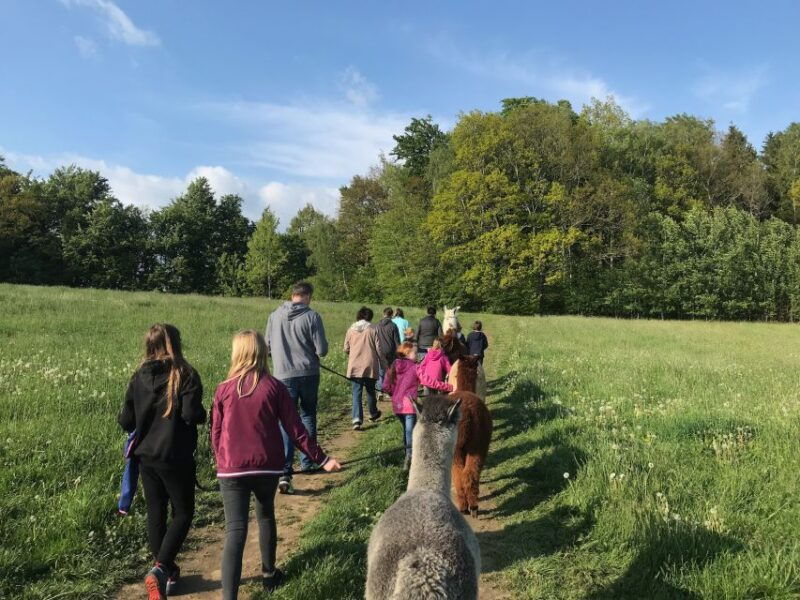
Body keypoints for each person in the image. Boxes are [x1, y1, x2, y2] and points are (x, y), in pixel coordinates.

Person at [211, 330, 341, 599]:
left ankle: (228, 597)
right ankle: (269, 574)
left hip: (231, 468)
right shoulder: (275, 387)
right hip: (267, 467)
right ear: (262, 352)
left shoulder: (223, 389)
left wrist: (221, 460)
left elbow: (216, 432)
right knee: (266, 515)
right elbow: (296, 429)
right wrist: (322, 459)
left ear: (237, 353)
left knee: (235, 531)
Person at [118, 324, 206, 600]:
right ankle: (160, 569)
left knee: (156, 513)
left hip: (146, 457)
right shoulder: (186, 374)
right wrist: (203, 414)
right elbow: (192, 414)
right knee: (183, 513)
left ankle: (167, 570)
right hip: (175, 455)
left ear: (149, 345)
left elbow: (126, 420)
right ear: (176, 344)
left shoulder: (138, 376)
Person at [265, 281, 328, 495]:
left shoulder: (274, 316)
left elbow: (267, 348)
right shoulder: (312, 316)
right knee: (308, 415)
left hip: (282, 375)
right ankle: (309, 460)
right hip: (309, 372)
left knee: (285, 422)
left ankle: (284, 471)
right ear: (307, 296)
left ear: (293, 295)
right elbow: (322, 350)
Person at [382, 342, 452, 471]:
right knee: (411, 433)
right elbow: (429, 381)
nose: (417, 355)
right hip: (409, 406)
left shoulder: (393, 365)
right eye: (415, 352)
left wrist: (394, 393)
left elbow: (385, 386)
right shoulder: (415, 367)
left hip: (397, 406)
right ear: (407, 353)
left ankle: (407, 457)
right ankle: (411, 458)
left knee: (406, 431)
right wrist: (447, 386)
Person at [344, 306, 383, 430]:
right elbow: (379, 349)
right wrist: (384, 363)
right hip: (370, 365)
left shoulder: (351, 329)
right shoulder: (374, 329)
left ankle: (356, 419)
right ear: (369, 317)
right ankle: (373, 413)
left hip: (355, 366)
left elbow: (346, 348)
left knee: (356, 392)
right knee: (370, 390)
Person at [375, 307, 401, 396]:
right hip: (391, 351)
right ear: (391, 315)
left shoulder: (377, 325)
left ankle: (379, 391)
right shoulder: (393, 326)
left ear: (383, 314)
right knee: (390, 372)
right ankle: (388, 391)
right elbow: (397, 341)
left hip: (379, 350)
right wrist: (399, 353)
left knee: (380, 371)